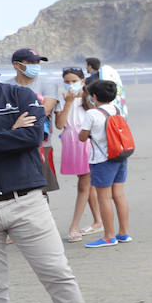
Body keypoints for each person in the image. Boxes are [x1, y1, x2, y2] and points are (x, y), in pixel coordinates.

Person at [0, 67, 105, 303]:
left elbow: (32, 137)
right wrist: (9, 133)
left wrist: (18, 133)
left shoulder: (19, 95)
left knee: (57, 272)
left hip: (27, 200)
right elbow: (17, 138)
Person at [79, 80, 131, 248]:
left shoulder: (92, 114)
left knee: (104, 197)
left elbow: (82, 136)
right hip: (120, 155)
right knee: (119, 195)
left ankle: (109, 236)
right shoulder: (116, 109)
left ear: (94, 96)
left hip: (102, 160)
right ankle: (123, 233)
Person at [55, 67, 101, 241]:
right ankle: (98, 221)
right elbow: (59, 124)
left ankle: (74, 226)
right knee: (87, 184)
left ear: (82, 81)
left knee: (84, 184)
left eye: (73, 81)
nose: (70, 84)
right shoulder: (61, 99)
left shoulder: (90, 98)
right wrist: (67, 102)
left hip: (87, 141)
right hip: (70, 142)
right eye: (66, 82)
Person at [7, 48, 61, 194]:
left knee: (41, 192)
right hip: (12, 144)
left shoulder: (49, 84)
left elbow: (44, 111)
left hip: (41, 145)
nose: (35, 65)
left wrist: (16, 120)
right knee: (15, 191)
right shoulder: (6, 86)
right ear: (16, 65)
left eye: (37, 62)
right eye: (30, 62)